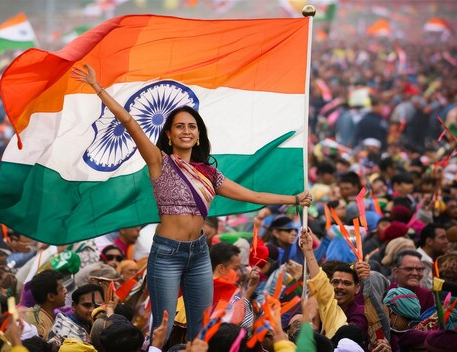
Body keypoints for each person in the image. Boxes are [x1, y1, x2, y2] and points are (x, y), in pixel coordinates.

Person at [73, 64, 311, 342]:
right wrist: (97, 87)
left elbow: (253, 196)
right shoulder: (158, 161)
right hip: (166, 254)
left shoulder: (209, 173)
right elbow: (129, 122)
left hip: (199, 253)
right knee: (164, 328)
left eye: (192, 127)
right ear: (169, 135)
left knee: (201, 329)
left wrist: (295, 198)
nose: (186, 131)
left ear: (198, 134)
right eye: (179, 127)